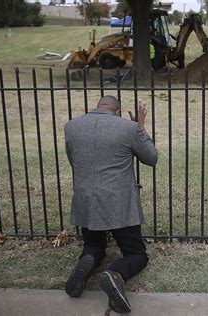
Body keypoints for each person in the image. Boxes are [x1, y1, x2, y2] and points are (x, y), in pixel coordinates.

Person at [64, 96, 158, 314]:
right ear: (117, 112)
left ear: (98, 107)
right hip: (119, 202)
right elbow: (151, 158)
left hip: (86, 199)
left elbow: (74, 161)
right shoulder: (129, 128)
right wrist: (141, 127)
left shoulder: (72, 126)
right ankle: (115, 273)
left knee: (94, 245)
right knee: (137, 255)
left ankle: (88, 259)